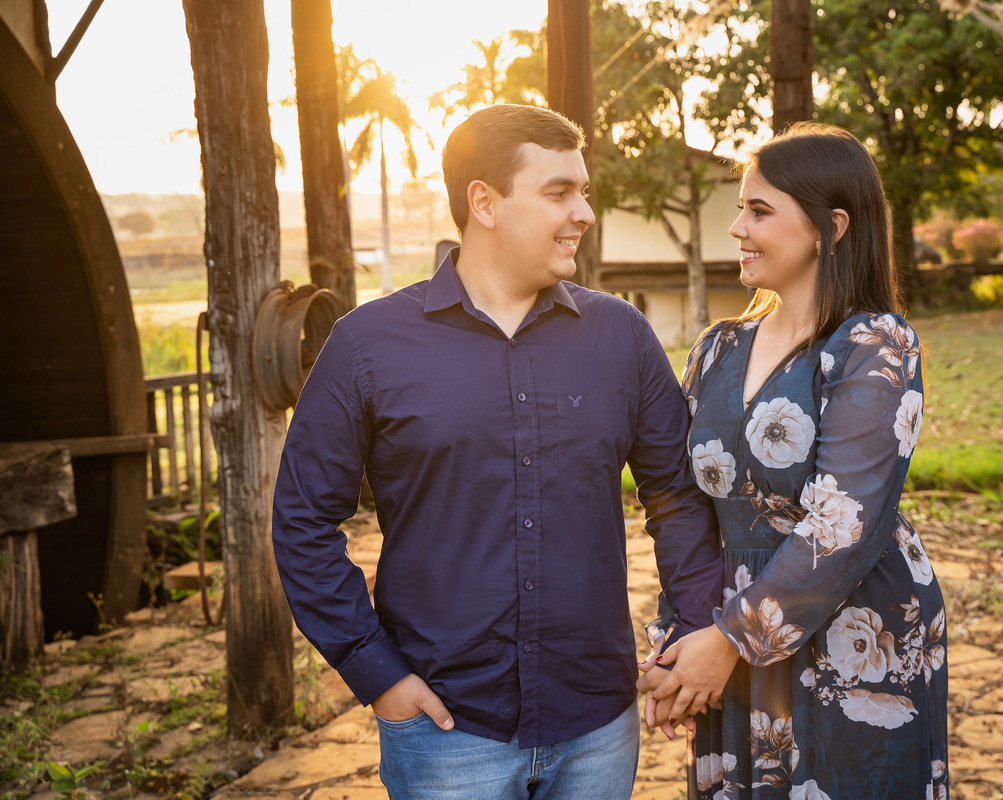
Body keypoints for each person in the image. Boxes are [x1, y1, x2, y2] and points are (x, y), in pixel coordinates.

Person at [271, 104, 724, 800]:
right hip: (447, 734)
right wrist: (378, 675)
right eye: (558, 192)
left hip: (599, 725)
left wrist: (695, 627)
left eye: (584, 191)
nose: (584, 212)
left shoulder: (621, 337)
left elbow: (677, 495)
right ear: (483, 201)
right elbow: (303, 522)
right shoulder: (367, 346)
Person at [636, 122, 949, 799]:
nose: (736, 228)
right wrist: (679, 640)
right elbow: (684, 507)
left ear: (829, 227)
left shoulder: (875, 344)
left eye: (759, 210)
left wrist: (723, 642)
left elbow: (843, 524)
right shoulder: (716, 348)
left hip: (854, 628)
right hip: (727, 624)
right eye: (740, 208)